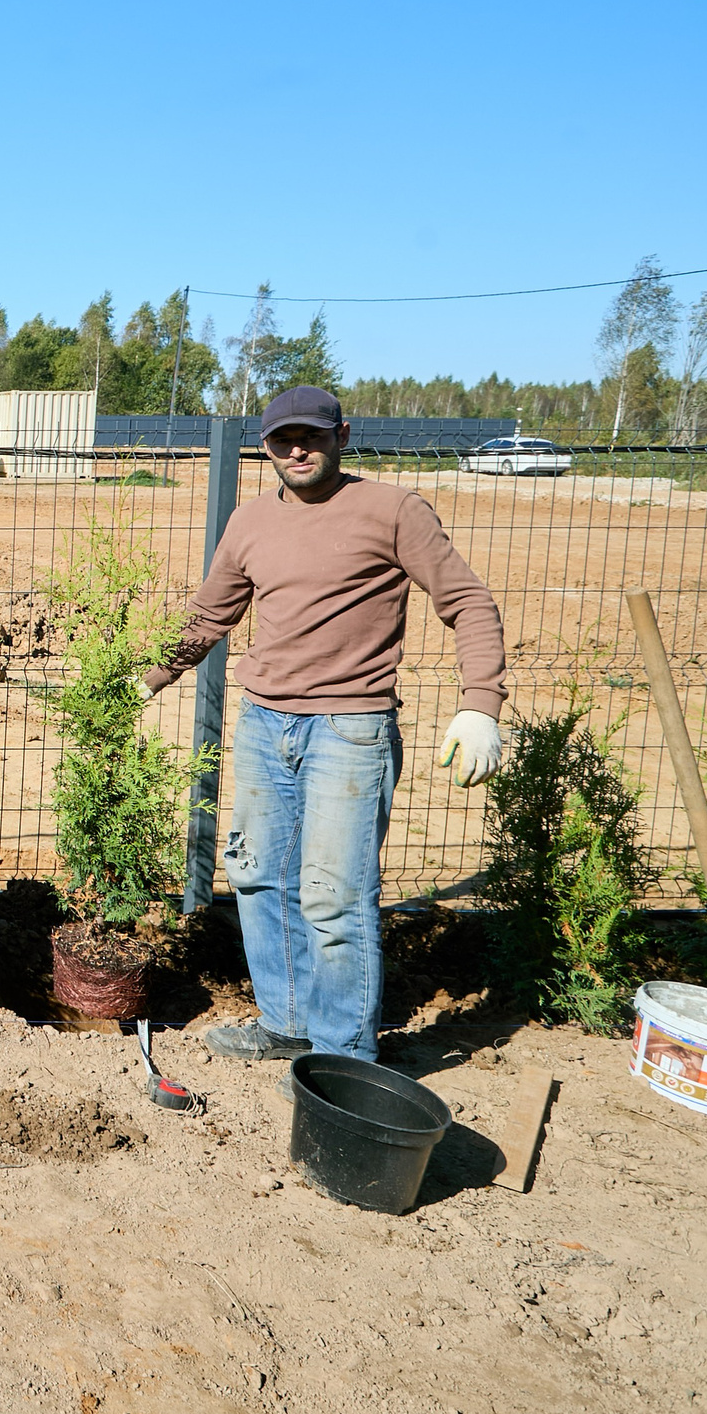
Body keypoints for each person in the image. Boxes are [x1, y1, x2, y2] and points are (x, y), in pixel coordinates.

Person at [144, 385, 505, 1073]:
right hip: (263, 724)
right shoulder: (251, 521)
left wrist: (480, 704)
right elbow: (207, 618)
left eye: (312, 436)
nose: (298, 450)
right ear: (266, 445)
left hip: (350, 728)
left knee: (335, 897)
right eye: (282, 440)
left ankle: (343, 1060)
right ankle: (288, 1023)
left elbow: (468, 601)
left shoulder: (392, 510)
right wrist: (146, 677)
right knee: (256, 877)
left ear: (342, 433)